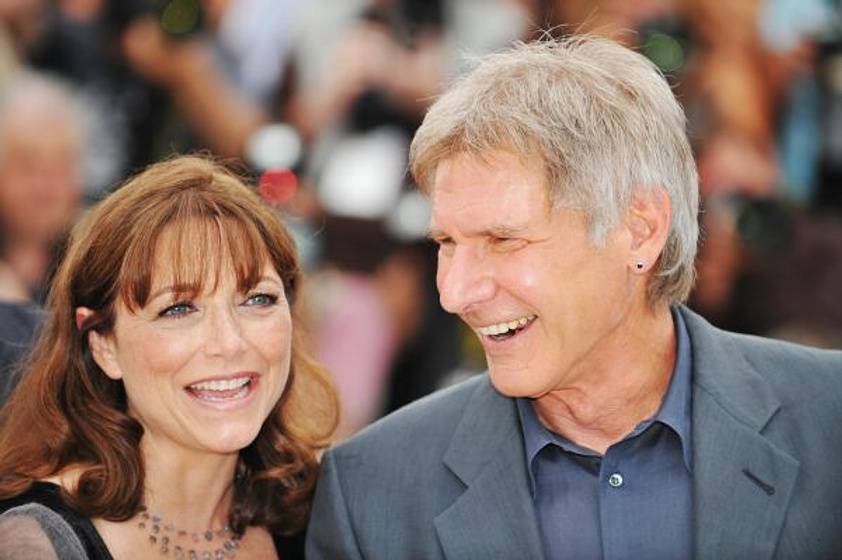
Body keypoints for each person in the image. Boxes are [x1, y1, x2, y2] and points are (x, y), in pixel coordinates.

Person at [306, 36, 842, 560]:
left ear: (640, 230)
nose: (455, 293)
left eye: (503, 239)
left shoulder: (829, 419)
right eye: (447, 242)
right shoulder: (370, 493)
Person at [0, 155, 338, 559]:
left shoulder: (324, 522)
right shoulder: (36, 545)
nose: (229, 343)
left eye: (257, 299)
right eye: (178, 309)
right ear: (103, 345)